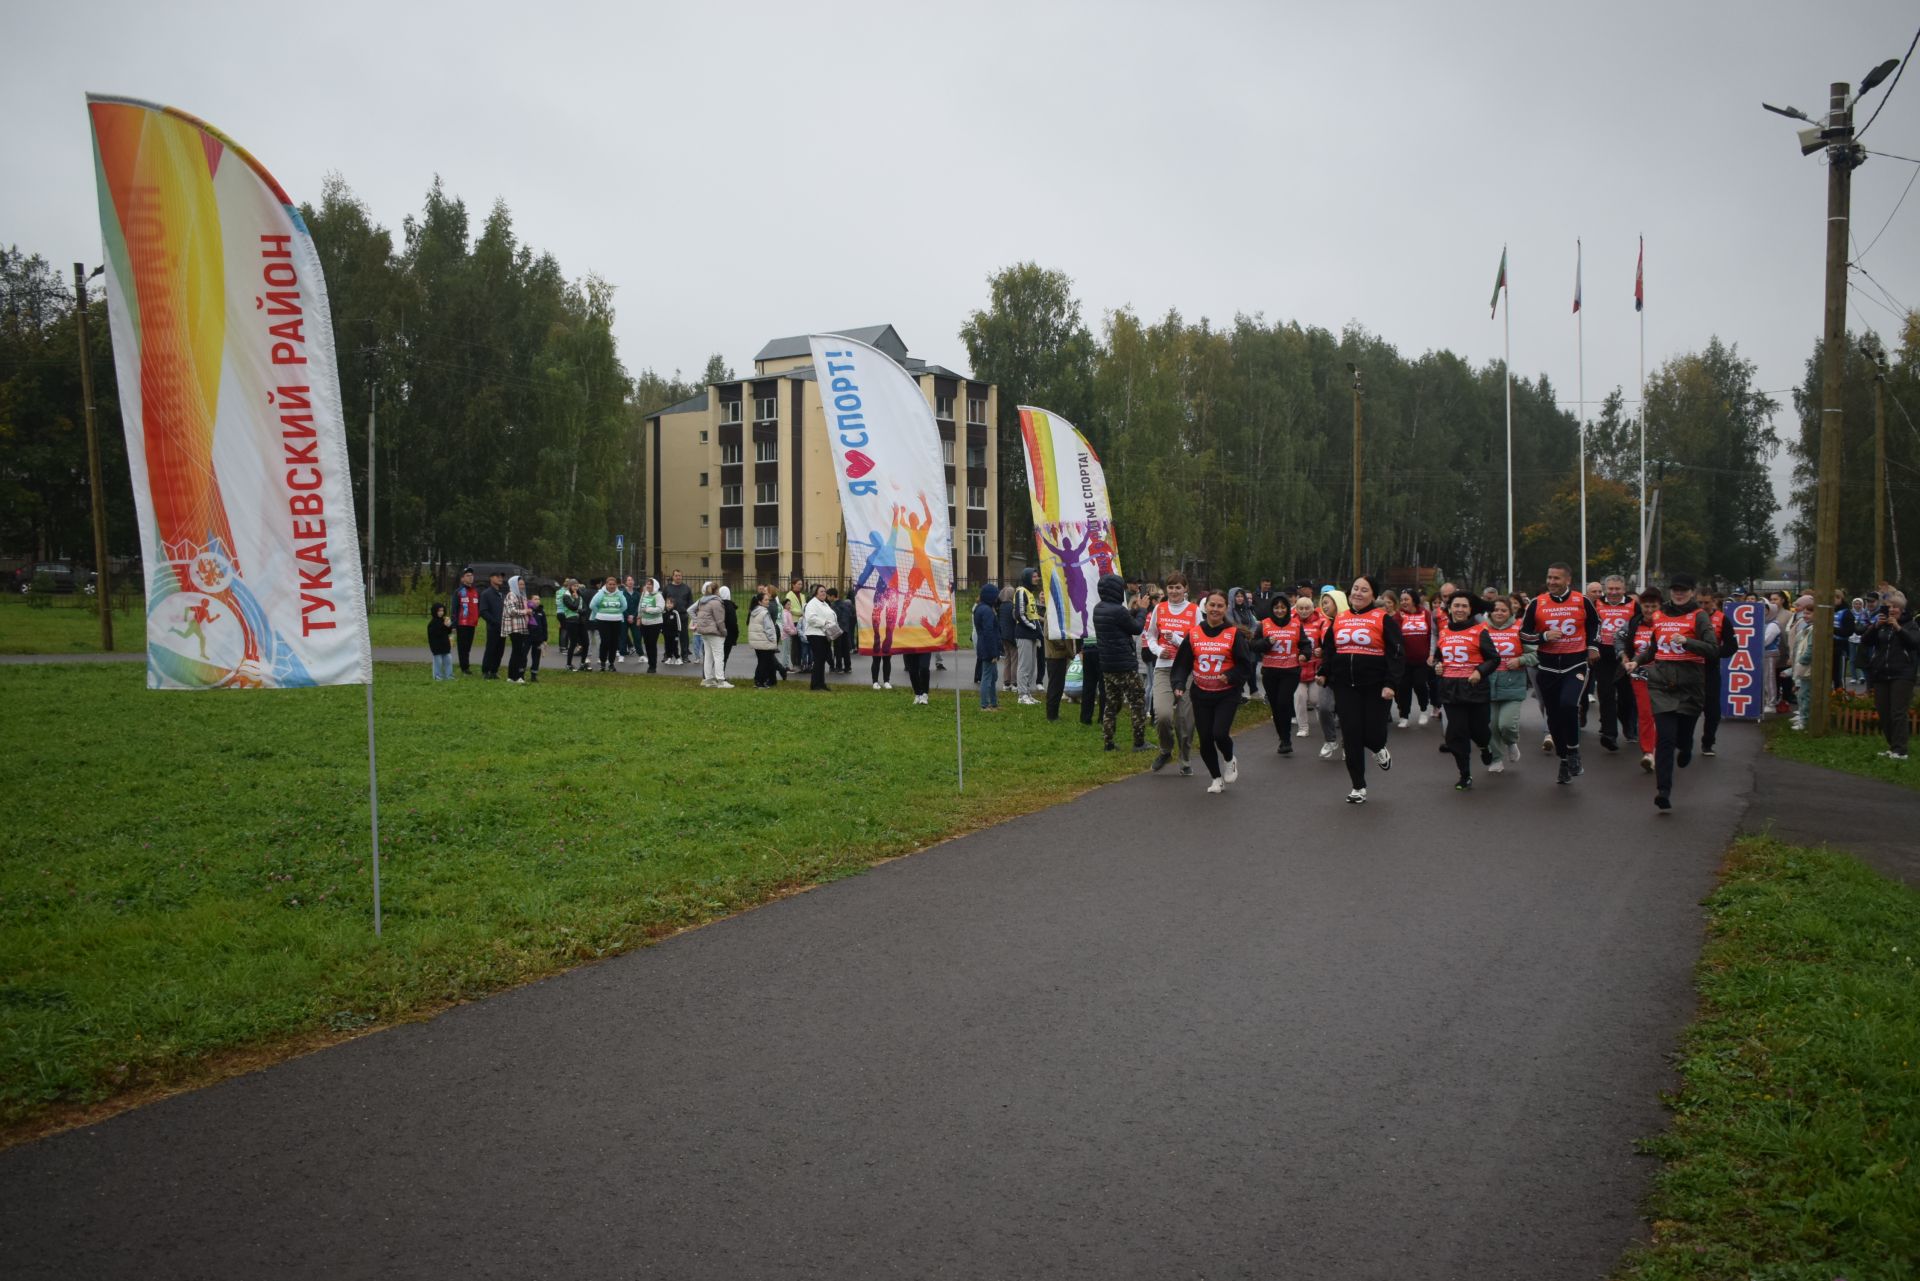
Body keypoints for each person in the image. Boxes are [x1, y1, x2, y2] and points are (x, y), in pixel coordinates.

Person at [1627, 574, 1719, 812]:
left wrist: (1688, 643)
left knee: (1683, 735)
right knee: (1665, 738)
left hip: (1690, 684)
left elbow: (1712, 649)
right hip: (1661, 683)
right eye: (1675, 590)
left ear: (1692, 592)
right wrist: (1636, 661)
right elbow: (1653, 648)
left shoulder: (1699, 616)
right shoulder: (1658, 615)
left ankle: (1687, 746)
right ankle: (1663, 791)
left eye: (1684, 590)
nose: (1679, 594)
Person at [1316, 575, 1404, 804]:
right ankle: (1358, 786)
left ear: (1373, 595)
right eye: (1355, 588)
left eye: (1364, 590)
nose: (1357, 593)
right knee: (1352, 734)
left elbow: (1396, 654)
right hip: (1346, 686)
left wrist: (1390, 684)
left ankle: (1378, 748)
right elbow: (1329, 649)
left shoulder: (1383, 618)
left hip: (1376, 687)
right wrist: (1324, 672)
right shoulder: (1340, 619)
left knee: (1373, 734)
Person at [1170, 589, 1264, 793]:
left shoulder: (1233, 634)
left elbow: (1245, 666)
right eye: (1212, 605)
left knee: (1219, 733)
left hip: (1226, 694)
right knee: (1205, 739)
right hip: (1201, 693)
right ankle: (1216, 778)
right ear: (1205, 607)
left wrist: (1230, 675)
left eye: (1219, 605)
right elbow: (1182, 664)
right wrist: (1178, 684)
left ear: (1226, 608)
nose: (1215, 609)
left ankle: (1230, 759)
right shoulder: (1194, 633)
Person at [1519, 562, 1600, 785]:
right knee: (1553, 717)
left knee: (1568, 705)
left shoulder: (1582, 601)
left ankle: (1574, 752)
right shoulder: (1537, 603)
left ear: (1567, 580)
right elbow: (1524, 635)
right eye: (1549, 577)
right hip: (1547, 666)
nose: (1551, 582)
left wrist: (1593, 646)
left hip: (1575, 664)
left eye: (1556, 578)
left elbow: (1595, 624)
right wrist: (1543, 637)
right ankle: (1564, 760)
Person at [1432, 592, 1499, 790]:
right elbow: (1439, 658)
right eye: (1456, 605)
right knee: (1456, 733)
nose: (1460, 609)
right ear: (1450, 608)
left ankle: (1485, 746)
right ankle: (1465, 774)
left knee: (1479, 730)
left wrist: (1479, 671)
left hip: (1475, 689)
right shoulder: (1444, 632)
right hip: (1451, 690)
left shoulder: (1480, 631)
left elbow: (1494, 659)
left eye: (1464, 606)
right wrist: (1437, 665)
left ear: (1470, 610)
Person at [1143, 571, 1201, 775]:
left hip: (1187, 670)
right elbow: (1149, 635)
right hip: (1164, 668)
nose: (1174, 591)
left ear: (1185, 589)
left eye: (1178, 587)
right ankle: (1165, 750)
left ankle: (1185, 760)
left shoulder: (1194, 611)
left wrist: (1176, 639)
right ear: (1166, 589)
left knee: (1185, 720)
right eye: (1171, 587)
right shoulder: (1160, 608)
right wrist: (1158, 650)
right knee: (1163, 716)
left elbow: (1199, 642)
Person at [1092, 573, 1149, 750]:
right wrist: (1142, 610)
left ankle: (1108, 742)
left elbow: (1121, 621)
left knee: (1111, 703)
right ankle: (1139, 742)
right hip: (1125, 665)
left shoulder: (1099, 608)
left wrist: (1134, 610)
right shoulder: (1118, 610)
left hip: (1108, 665)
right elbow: (1136, 627)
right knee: (1137, 702)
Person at [1862, 590, 1917, 760]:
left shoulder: (1910, 624)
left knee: (1897, 712)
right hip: (1881, 673)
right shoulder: (1882, 624)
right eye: (1888, 607)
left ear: (1901, 609)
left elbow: (1915, 642)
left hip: (1902, 673)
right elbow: (1865, 641)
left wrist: (1898, 628)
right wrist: (1875, 626)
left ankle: (1901, 750)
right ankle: (1893, 746)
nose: (1891, 610)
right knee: (1883, 710)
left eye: (1895, 607)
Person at [1484, 594, 1536, 771]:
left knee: (1506, 724)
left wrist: (1520, 660)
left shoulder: (1520, 628)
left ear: (1511, 611)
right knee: (1490, 726)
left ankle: (1511, 742)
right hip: (1487, 685)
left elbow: (1536, 654)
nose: (1499, 613)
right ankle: (1496, 759)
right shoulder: (1481, 629)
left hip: (1512, 684)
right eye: (1495, 609)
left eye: (1503, 610)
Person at [1256, 592, 1311, 753]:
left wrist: (1304, 654)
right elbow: (1253, 645)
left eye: (1283, 607)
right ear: (1271, 609)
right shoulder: (1264, 624)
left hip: (1290, 671)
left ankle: (1286, 739)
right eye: (1276, 607)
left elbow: (1305, 644)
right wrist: (1266, 643)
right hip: (1270, 671)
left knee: (1283, 703)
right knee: (1275, 706)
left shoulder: (1295, 624)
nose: (1279, 610)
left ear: (1287, 608)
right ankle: (1282, 738)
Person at [1618, 588, 1664, 773]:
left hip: (1664, 676)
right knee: (1645, 714)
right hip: (1640, 674)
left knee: (1662, 715)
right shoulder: (1633, 623)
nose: (1649, 610)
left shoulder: (1667, 623)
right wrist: (1623, 656)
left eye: (1653, 606)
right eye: (1646, 606)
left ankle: (1662, 748)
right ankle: (1648, 752)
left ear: (1660, 606)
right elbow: (1618, 639)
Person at [1591, 575, 1636, 751]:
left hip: (1625, 657)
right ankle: (1609, 735)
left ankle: (1628, 724)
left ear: (1624, 589)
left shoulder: (1633, 605)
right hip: (1603, 656)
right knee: (1606, 694)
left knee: (1626, 696)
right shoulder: (1596, 604)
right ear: (1605, 589)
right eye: (1610, 589)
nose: (1614, 592)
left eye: (1617, 589)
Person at [1310, 588, 1346, 760]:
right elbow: (1328, 651)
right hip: (1329, 675)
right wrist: (1323, 672)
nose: (1323, 606)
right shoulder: (1328, 624)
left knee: (1346, 712)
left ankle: (1348, 744)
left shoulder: (1349, 623)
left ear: (1338, 602)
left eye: (1326, 602)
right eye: (1322, 603)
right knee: (1323, 707)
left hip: (1348, 676)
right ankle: (1330, 740)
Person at [1394, 588, 1433, 728]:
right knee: (1403, 688)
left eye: (1406, 599)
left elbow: (1432, 634)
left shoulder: (1425, 614)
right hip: (1404, 661)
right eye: (1402, 599)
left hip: (1422, 660)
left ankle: (1423, 709)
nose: (1403, 602)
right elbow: (1393, 635)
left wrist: (1431, 653)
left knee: (1420, 684)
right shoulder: (1398, 616)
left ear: (1414, 600)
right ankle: (1404, 716)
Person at [689, 581, 731, 688]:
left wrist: (697, 622)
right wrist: (724, 632)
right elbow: (720, 620)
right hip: (714, 632)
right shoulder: (716, 602)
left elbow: (691, 610)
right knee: (718, 656)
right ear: (716, 590)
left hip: (703, 632)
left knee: (708, 655)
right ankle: (721, 680)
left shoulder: (702, 601)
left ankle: (707, 679)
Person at [1013, 568, 1043, 705]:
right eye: (1034, 576)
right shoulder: (1021, 591)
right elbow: (1019, 614)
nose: (1037, 578)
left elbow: (1034, 615)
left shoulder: (1030, 593)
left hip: (1032, 635)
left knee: (1031, 666)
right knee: (1024, 665)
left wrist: (1038, 633)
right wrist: (1032, 627)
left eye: (1037, 576)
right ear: (1027, 578)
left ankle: (1028, 693)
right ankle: (1022, 695)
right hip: (1024, 633)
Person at [973, 583, 1005, 711]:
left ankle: (994, 702)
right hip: (988, 648)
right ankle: (985, 705)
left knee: (993, 675)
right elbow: (989, 632)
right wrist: (993, 653)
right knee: (987, 676)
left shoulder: (980, 608)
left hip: (985, 646)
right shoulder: (986, 611)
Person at [803, 584, 837, 691]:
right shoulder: (812, 604)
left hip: (825, 634)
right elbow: (811, 619)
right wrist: (825, 622)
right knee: (818, 660)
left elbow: (831, 616)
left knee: (822, 660)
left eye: (825, 591)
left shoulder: (825, 604)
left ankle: (821, 683)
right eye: (821, 591)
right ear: (816, 593)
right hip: (815, 634)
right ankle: (815, 685)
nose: (824, 593)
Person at [588, 575, 625, 671]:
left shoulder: (619, 594)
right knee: (605, 641)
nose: (612, 586)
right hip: (603, 620)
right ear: (606, 585)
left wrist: (616, 612)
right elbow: (592, 605)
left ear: (616, 585)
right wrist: (599, 612)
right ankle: (603, 662)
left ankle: (612, 664)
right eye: (610, 584)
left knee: (614, 642)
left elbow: (624, 606)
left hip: (616, 620)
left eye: (614, 584)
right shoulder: (601, 593)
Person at [748, 588, 782, 688]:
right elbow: (769, 629)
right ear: (760, 602)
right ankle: (760, 682)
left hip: (757, 641)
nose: (768, 601)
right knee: (764, 663)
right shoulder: (764, 613)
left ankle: (757, 681)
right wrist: (772, 640)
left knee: (761, 662)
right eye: (765, 600)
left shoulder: (754, 611)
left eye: (768, 599)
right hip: (764, 641)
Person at [450, 567, 481, 675]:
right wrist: (453, 625)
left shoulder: (475, 592)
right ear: (462, 579)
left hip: (472, 624)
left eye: (471, 575)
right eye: (467, 576)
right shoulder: (458, 592)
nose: (470, 577)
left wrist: (477, 617)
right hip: (461, 623)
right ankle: (464, 668)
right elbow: (454, 609)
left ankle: (465, 665)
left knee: (468, 646)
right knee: (462, 647)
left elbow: (478, 607)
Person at [478, 570, 507, 680]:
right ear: (491, 578)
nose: (500, 578)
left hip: (503, 627)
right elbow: (483, 611)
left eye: (501, 577)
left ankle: (494, 671)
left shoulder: (502, 593)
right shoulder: (486, 594)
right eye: (498, 576)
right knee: (491, 649)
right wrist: (494, 622)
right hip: (493, 627)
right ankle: (486, 671)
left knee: (500, 650)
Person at [502, 574, 530, 684]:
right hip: (514, 628)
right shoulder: (511, 595)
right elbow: (511, 611)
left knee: (518, 652)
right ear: (514, 585)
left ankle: (514, 676)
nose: (522, 586)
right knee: (517, 651)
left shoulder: (521, 595)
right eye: (520, 584)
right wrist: (525, 611)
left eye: (523, 584)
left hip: (522, 627)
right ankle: (514, 676)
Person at [663, 571, 695, 666]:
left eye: (680, 576)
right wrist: (665, 610)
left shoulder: (686, 588)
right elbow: (662, 600)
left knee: (684, 636)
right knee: (669, 636)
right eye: (676, 575)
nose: (678, 577)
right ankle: (668, 655)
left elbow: (690, 602)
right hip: (670, 616)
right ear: (673, 576)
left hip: (682, 615)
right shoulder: (667, 588)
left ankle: (684, 655)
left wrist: (688, 612)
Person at [634, 577, 665, 673]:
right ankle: (650, 664)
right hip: (644, 623)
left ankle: (653, 665)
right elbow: (640, 606)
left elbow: (660, 608)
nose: (648, 586)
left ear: (654, 585)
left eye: (650, 584)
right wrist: (639, 617)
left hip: (655, 623)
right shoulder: (644, 594)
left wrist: (648, 610)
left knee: (652, 644)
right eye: (647, 584)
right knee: (647, 644)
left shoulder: (658, 596)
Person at [553, 577, 582, 672]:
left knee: (562, 629)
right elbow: (573, 605)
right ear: (568, 585)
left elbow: (556, 602)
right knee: (565, 630)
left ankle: (562, 646)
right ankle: (565, 648)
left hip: (559, 611)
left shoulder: (558, 591)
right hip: (566, 612)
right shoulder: (566, 593)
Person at [783, 576, 809, 672]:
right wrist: (801, 612)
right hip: (793, 621)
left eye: (801, 584)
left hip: (802, 621)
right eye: (798, 584)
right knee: (795, 643)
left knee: (802, 642)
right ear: (793, 585)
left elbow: (805, 605)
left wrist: (804, 612)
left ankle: (803, 663)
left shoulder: (802, 595)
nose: (800, 586)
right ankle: (795, 663)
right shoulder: (789, 595)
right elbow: (790, 608)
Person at [830, 588, 857, 675]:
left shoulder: (833, 606)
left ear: (832, 596)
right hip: (846, 629)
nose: (828, 598)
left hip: (837, 629)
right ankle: (848, 667)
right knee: (846, 649)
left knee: (838, 649)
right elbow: (852, 612)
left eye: (828, 596)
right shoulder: (846, 604)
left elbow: (834, 617)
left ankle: (839, 667)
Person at [525, 590, 547, 683]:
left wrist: (545, 639)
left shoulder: (541, 612)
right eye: (535, 599)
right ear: (530, 600)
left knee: (536, 657)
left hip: (538, 638)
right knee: (523, 655)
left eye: (538, 599)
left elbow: (545, 626)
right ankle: (521, 673)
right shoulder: (527, 610)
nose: (537, 601)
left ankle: (534, 675)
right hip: (527, 636)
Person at [428, 603, 454, 681]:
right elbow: (436, 633)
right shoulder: (432, 623)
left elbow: (447, 632)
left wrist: (449, 626)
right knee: (438, 662)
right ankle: (437, 677)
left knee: (448, 661)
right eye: (439, 611)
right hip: (436, 646)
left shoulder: (444, 620)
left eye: (442, 610)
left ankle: (449, 676)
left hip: (445, 645)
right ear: (435, 611)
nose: (441, 612)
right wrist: (444, 626)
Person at [620, 574, 642, 662]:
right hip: (624, 618)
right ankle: (622, 654)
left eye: (632, 580)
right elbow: (621, 606)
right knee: (623, 636)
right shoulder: (621, 593)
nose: (630, 582)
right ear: (625, 582)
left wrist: (633, 615)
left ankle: (641, 654)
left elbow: (639, 606)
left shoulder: (637, 593)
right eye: (628, 580)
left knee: (637, 636)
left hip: (634, 618)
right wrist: (627, 615)